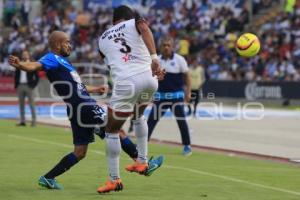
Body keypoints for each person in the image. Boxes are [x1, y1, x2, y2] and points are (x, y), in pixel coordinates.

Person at [9, 30, 163, 191]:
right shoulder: (51, 58)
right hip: (85, 107)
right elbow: (34, 65)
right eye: (66, 42)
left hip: (77, 110)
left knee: (80, 152)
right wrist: (20, 65)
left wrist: (96, 88)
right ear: (56, 44)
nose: (70, 45)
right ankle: (141, 162)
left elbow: (78, 86)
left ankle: (48, 178)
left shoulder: (63, 62)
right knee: (116, 130)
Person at [97, 5, 165, 193]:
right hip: (150, 79)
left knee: (111, 129)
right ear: (129, 17)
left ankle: (114, 180)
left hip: (126, 82)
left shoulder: (102, 39)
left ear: (113, 21)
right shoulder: (135, 22)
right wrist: (155, 59)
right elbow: (144, 29)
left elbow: (111, 63)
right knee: (138, 116)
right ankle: (142, 162)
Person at [147, 37, 193, 156]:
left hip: (176, 96)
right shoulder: (156, 61)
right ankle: (142, 144)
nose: (166, 47)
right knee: (151, 120)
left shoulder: (179, 60)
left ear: (172, 47)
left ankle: (187, 145)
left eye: (168, 45)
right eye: (164, 45)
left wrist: (188, 92)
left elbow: (187, 77)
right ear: (160, 47)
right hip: (160, 96)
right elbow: (151, 77)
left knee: (181, 121)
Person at [14, 50, 39, 126]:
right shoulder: (18, 63)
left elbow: (37, 77)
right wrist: (16, 85)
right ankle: (22, 121)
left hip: (29, 86)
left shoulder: (32, 63)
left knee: (31, 104)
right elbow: (16, 75)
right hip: (20, 86)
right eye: (23, 54)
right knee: (21, 105)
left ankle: (34, 122)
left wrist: (33, 85)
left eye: (26, 54)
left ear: (28, 55)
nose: (24, 56)